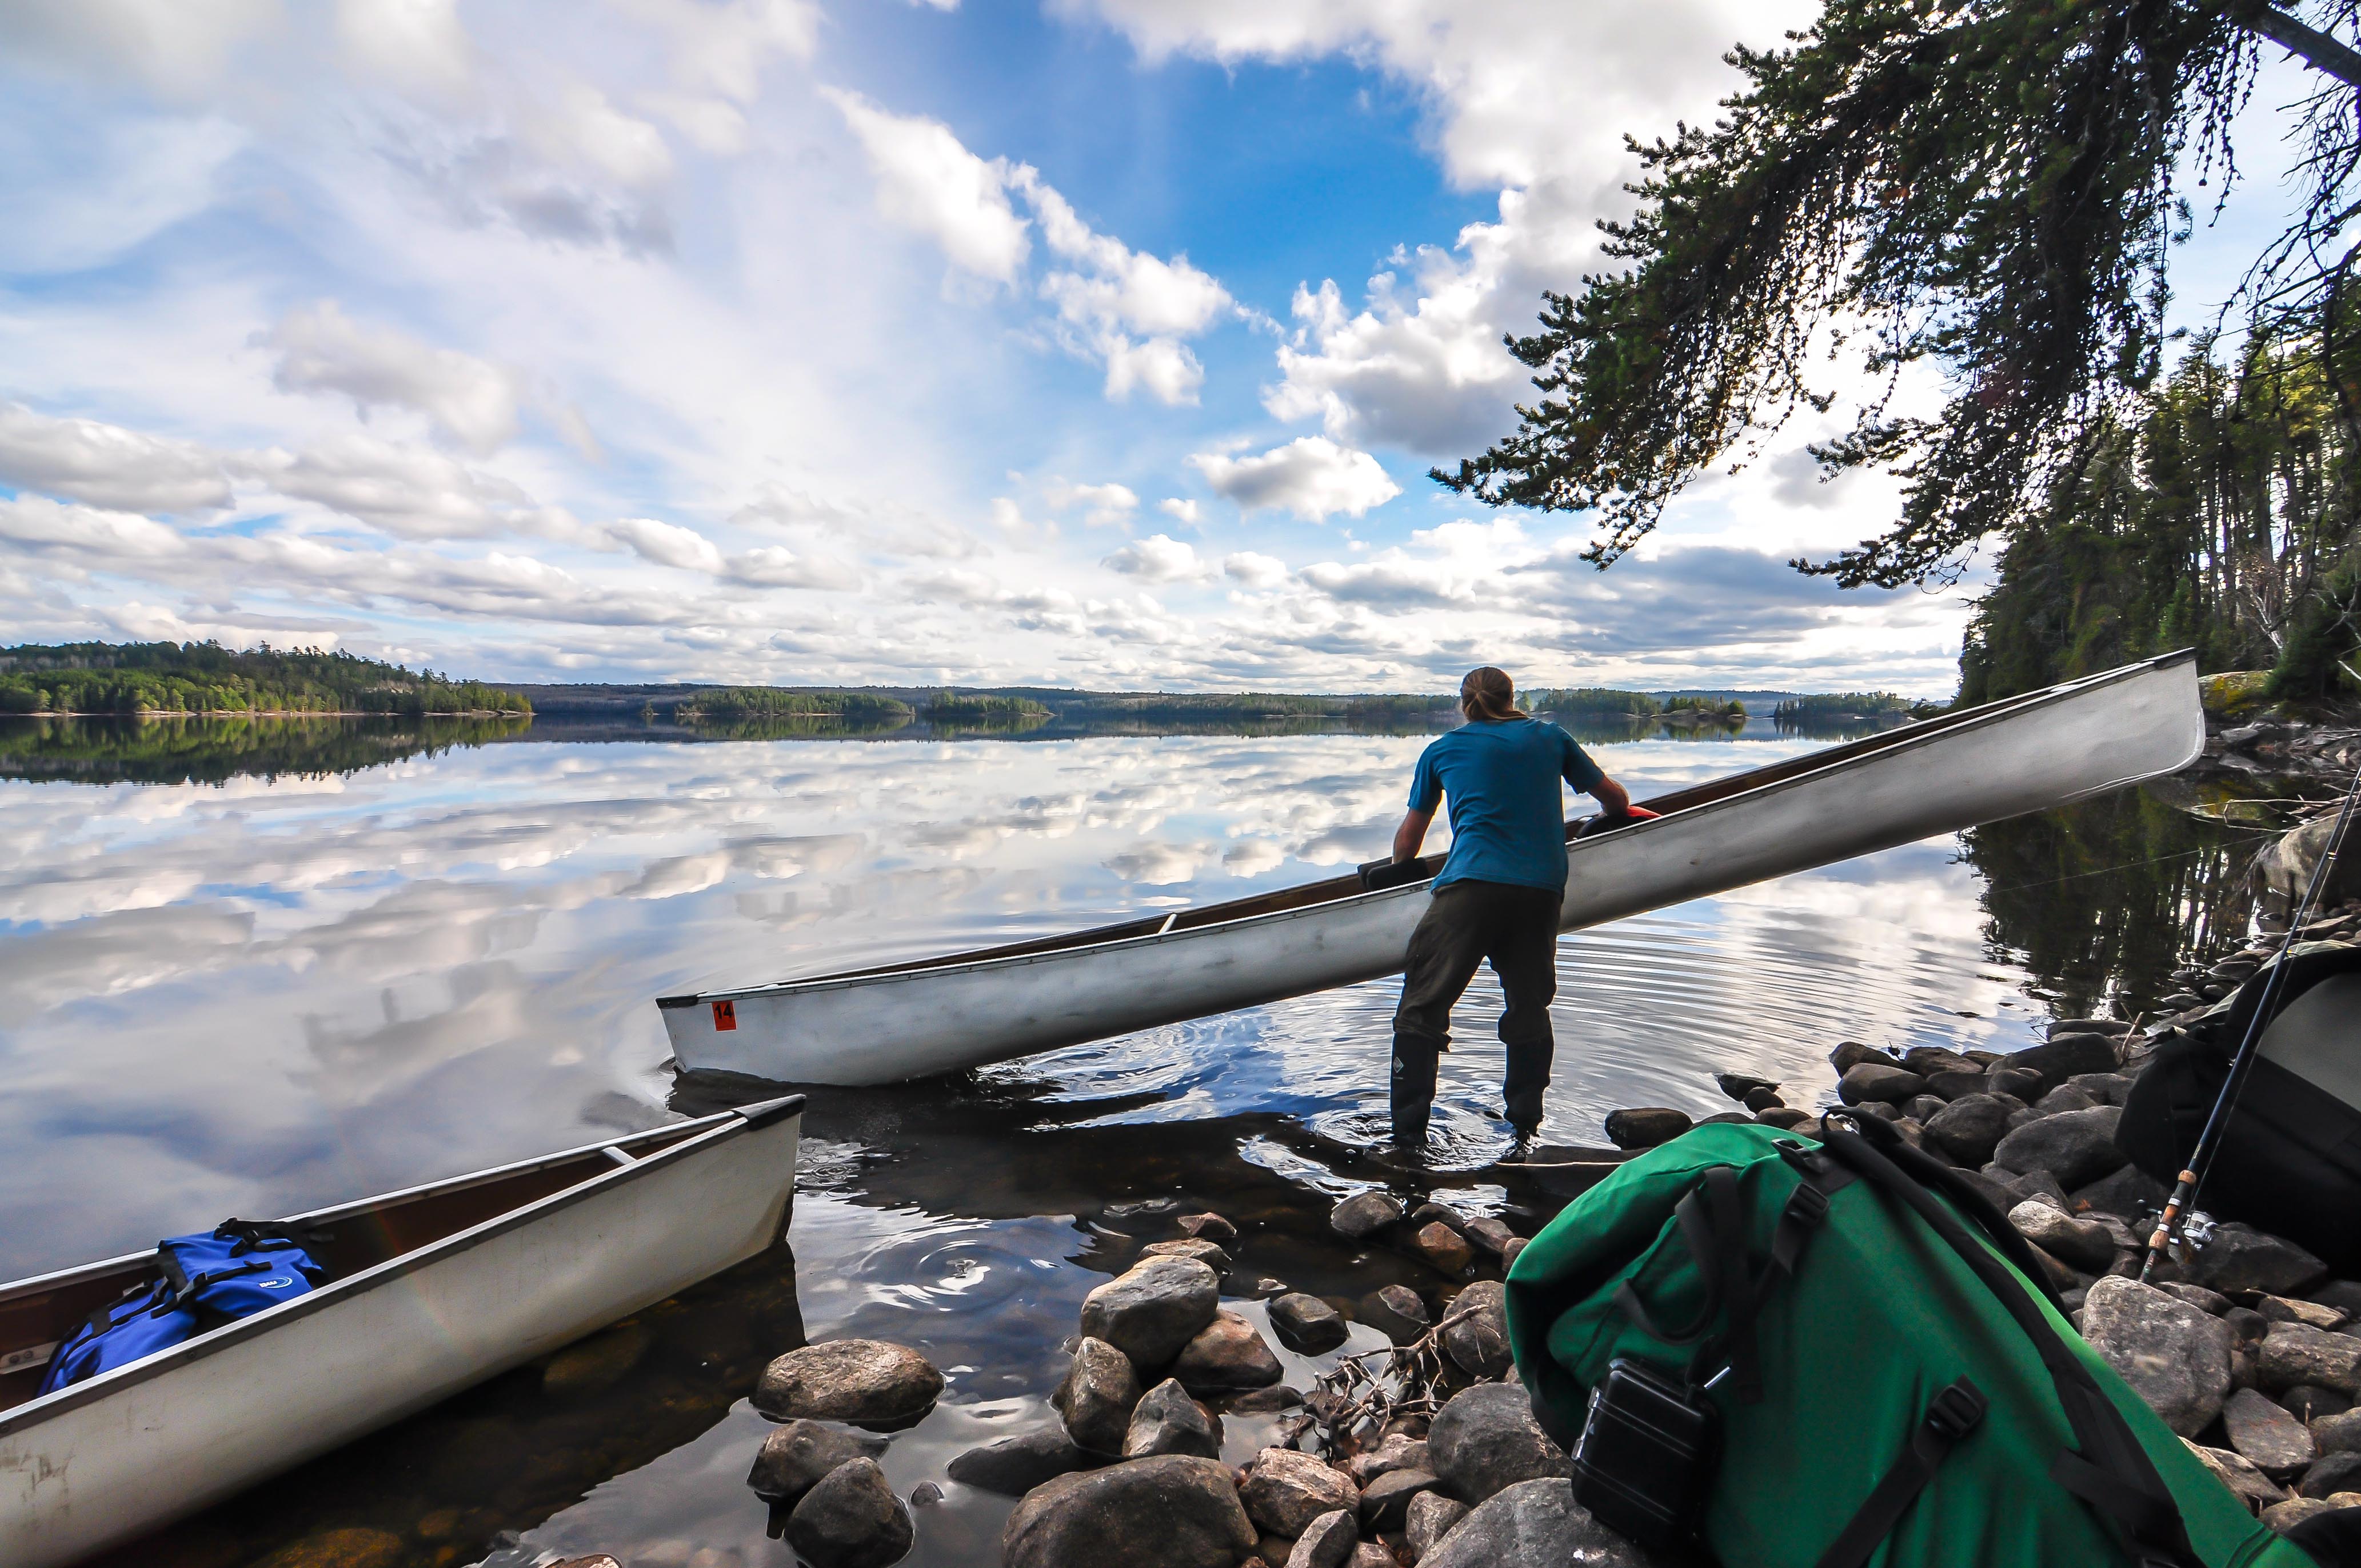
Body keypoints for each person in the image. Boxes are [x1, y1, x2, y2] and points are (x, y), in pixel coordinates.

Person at [1386, 666, 1651, 1153]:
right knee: (1529, 1006)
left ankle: (1407, 1142)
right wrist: (1614, 817)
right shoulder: (1549, 738)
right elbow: (1615, 800)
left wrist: (1398, 869)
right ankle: (1525, 1129)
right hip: (1539, 890)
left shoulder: (1442, 749)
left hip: (1470, 888)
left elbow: (1410, 839)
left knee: (1422, 1011)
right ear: (1513, 697)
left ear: (1463, 702)